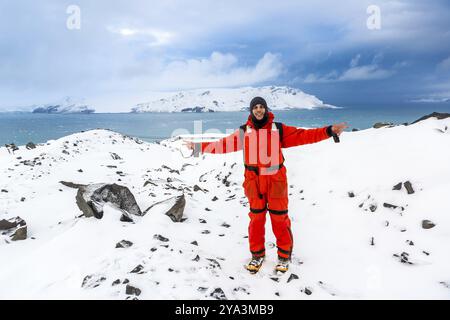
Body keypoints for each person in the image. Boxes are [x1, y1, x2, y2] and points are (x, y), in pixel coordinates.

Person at [184, 97, 348, 274]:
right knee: (256, 220)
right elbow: (222, 145)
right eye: (255, 107)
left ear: (266, 109)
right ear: (251, 110)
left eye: (262, 107)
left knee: (279, 219)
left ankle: (284, 256)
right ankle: (257, 255)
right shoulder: (243, 132)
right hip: (254, 182)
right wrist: (198, 147)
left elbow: (304, 136)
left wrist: (328, 131)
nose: (259, 110)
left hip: (276, 181)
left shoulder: (278, 129)